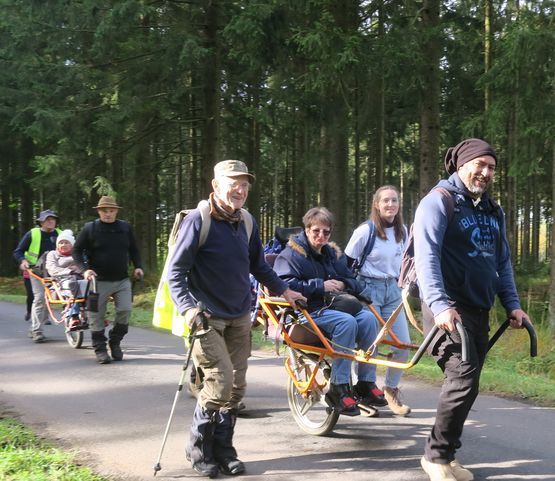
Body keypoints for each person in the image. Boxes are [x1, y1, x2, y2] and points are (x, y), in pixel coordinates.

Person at [167, 159, 305, 478]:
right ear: (216, 186)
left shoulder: (246, 221)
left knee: (237, 387)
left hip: (240, 315)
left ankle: (224, 449)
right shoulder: (198, 221)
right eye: (233, 182)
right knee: (219, 381)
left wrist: (284, 291)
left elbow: (259, 265)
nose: (240, 189)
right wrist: (188, 308)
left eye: (244, 184)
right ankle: (199, 450)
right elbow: (176, 273)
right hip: (206, 317)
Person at [414, 138, 531, 481]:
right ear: (461, 165)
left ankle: (446, 457)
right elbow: (426, 259)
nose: (485, 172)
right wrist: (439, 305)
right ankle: (435, 457)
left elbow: (502, 262)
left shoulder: (493, 211)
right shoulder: (438, 202)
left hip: (479, 308)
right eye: (479, 164)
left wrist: (513, 304)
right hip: (447, 310)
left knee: (469, 383)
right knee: (462, 379)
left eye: (491, 167)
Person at [274, 206, 388, 417]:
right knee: (347, 322)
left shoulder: (332, 254)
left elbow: (351, 279)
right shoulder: (290, 255)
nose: (321, 236)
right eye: (316, 231)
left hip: (336, 306)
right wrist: (321, 286)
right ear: (306, 230)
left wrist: (343, 285)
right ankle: (339, 387)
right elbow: (283, 285)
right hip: (307, 312)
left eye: (326, 232)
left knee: (369, 319)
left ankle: (365, 382)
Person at [345, 185, 411, 416]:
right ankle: (362, 389)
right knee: (369, 344)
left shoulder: (402, 230)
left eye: (394, 200)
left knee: (402, 344)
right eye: (386, 201)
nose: (390, 205)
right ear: (377, 204)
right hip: (368, 289)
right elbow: (346, 264)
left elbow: (406, 263)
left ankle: (390, 389)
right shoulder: (366, 231)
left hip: (392, 289)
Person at [72, 196, 144, 364]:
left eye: (111, 210)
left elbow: (134, 250)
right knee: (95, 315)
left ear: (116, 211)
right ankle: (100, 349)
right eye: (104, 211)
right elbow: (76, 251)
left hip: (122, 280)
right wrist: (85, 270)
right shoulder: (90, 228)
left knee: (125, 310)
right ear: (99, 211)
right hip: (98, 281)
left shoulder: (125, 228)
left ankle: (115, 342)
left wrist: (138, 266)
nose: (108, 214)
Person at [13, 209, 61, 342]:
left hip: (56, 272)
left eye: (53, 219)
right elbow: (18, 251)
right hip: (36, 272)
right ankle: (37, 331)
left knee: (58, 299)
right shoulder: (33, 234)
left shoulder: (61, 234)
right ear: (41, 222)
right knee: (39, 298)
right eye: (47, 219)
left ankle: (73, 326)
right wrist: (23, 261)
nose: (51, 221)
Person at [45, 229, 87, 327]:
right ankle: (73, 315)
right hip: (61, 280)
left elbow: (85, 266)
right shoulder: (52, 254)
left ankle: (96, 315)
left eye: (66, 242)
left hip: (80, 277)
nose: (63, 245)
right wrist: (69, 271)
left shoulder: (78, 254)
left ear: (72, 244)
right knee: (72, 284)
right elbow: (52, 269)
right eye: (61, 243)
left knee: (91, 284)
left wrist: (80, 270)